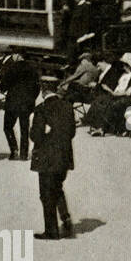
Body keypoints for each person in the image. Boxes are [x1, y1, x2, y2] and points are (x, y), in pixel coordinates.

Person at [30, 76, 75, 240]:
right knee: (57, 187)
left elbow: (35, 135)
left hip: (46, 157)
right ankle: (65, 217)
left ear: (43, 90)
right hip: (63, 156)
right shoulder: (67, 106)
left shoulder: (41, 109)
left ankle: (51, 231)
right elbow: (72, 133)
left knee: (46, 194)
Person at [0, 51, 39, 161]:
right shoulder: (33, 69)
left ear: (18, 55)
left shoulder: (12, 67)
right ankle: (24, 154)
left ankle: (14, 150)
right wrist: (31, 98)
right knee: (24, 128)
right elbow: (37, 88)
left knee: (7, 127)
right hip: (27, 103)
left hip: (13, 102)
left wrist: (0, 87)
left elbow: (4, 85)